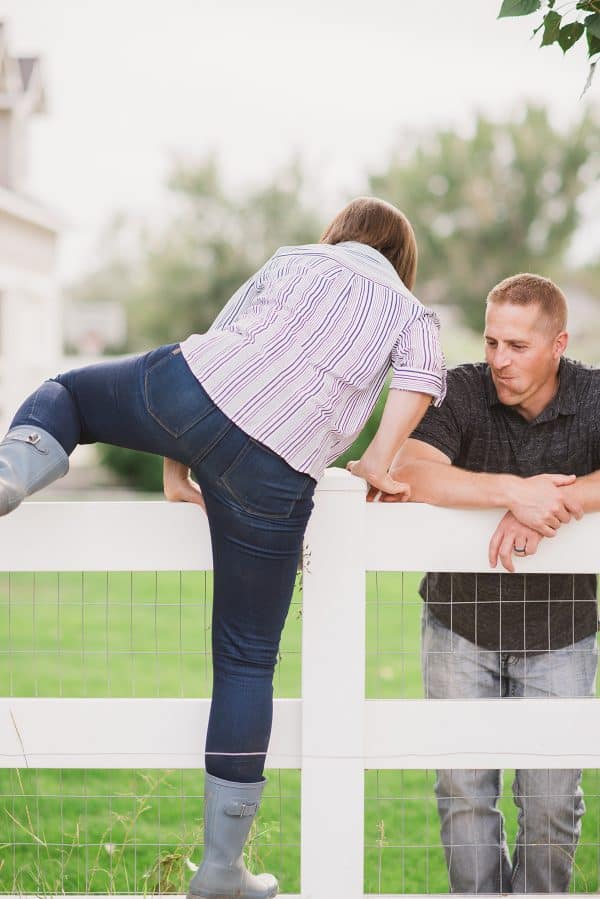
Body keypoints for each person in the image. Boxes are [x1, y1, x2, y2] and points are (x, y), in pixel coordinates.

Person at [0, 197, 445, 899]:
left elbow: (224, 335)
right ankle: (219, 870)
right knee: (246, 660)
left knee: (69, 395)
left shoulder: (298, 259)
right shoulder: (411, 312)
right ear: (403, 261)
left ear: (341, 235)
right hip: (279, 468)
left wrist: (176, 457)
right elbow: (421, 378)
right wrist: (378, 461)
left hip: (193, 392)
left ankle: (11, 473)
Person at [380, 273, 600, 893]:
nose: (500, 360)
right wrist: (513, 492)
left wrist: (556, 506)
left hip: (561, 632)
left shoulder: (593, 394)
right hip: (460, 627)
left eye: (518, 346)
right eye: (492, 342)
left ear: (558, 343)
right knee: (463, 794)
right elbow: (410, 472)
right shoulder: (463, 390)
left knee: (553, 802)